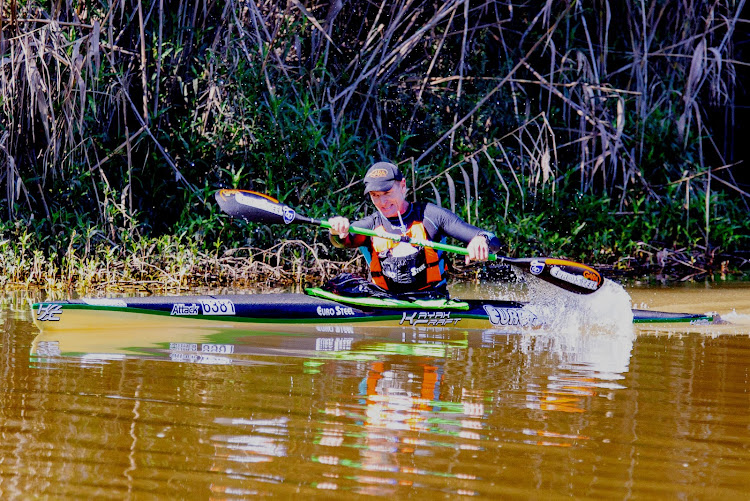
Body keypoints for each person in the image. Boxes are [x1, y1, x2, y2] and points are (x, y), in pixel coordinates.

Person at [328, 161, 501, 297]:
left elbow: (492, 239)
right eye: (375, 196)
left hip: (432, 299)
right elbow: (342, 241)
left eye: (387, 193)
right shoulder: (370, 225)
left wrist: (481, 240)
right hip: (384, 302)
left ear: (403, 186)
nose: (382, 202)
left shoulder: (431, 216)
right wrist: (337, 232)